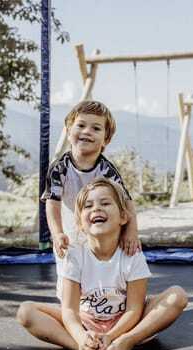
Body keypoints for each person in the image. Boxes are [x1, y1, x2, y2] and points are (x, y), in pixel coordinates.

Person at [17, 178, 188, 350]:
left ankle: (127, 341)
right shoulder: (75, 255)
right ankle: (83, 348)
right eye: (88, 206)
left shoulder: (131, 255)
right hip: (85, 323)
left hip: (126, 324)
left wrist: (112, 335)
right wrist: (81, 337)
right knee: (25, 312)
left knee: (178, 296)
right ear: (80, 223)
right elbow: (69, 310)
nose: (96, 209)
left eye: (105, 203)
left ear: (123, 217)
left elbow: (133, 309)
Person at [41, 100, 140, 258]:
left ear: (105, 140)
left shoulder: (106, 170)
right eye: (81, 125)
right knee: (69, 282)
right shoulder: (59, 169)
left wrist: (131, 232)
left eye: (96, 128)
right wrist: (57, 233)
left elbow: (126, 201)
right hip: (69, 240)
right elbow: (52, 204)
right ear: (68, 131)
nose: (87, 131)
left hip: (103, 239)